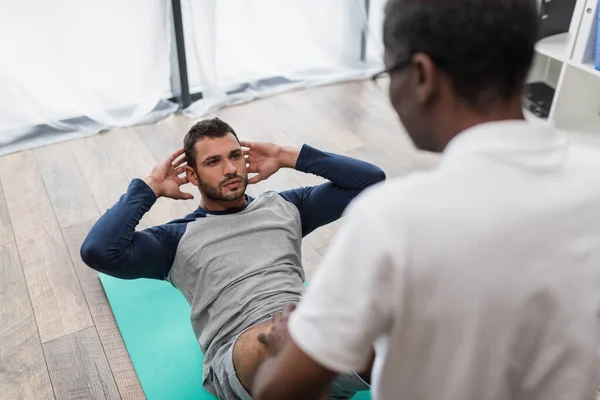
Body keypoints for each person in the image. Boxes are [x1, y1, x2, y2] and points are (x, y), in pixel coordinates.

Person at [252, 0, 600, 399]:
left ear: (421, 75)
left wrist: (286, 345)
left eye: (387, 73)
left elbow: (279, 392)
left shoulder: (393, 219)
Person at [80, 117, 385, 399]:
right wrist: (149, 188)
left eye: (235, 156)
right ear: (192, 176)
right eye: (213, 161)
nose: (230, 169)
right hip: (242, 354)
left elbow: (370, 181)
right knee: (286, 336)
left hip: (316, 335)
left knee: (389, 320)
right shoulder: (174, 240)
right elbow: (99, 250)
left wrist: (286, 155)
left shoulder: (285, 207)